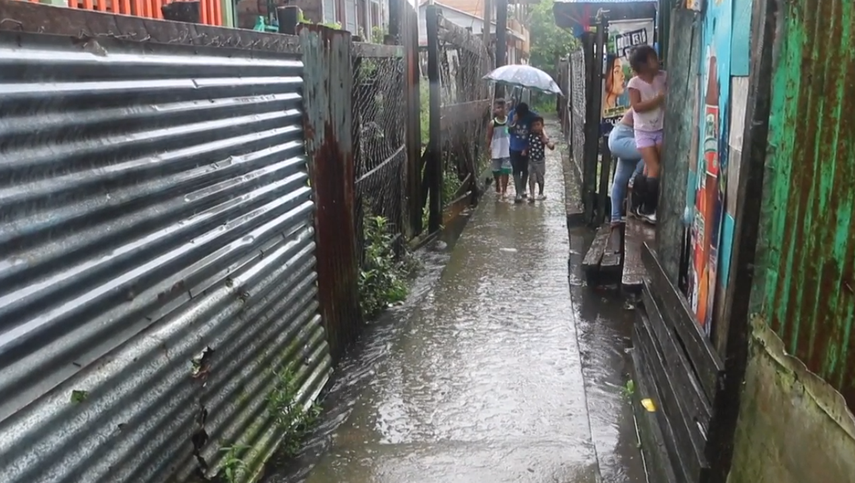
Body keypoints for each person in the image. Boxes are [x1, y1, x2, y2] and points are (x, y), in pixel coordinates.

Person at [627, 45, 667, 223]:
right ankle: (649, 209)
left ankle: (637, 204)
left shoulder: (662, 77)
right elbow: (637, 107)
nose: (657, 60)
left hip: (660, 128)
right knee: (655, 168)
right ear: (642, 64)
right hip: (643, 131)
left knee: (649, 167)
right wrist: (658, 99)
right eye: (652, 58)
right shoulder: (634, 83)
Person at [608, 110, 655, 225]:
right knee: (649, 152)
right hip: (622, 136)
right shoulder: (647, 101)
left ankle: (615, 219)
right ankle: (634, 182)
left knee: (620, 181)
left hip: (627, 137)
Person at [507, 102, 538, 202]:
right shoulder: (512, 114)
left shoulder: (532, 116)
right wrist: (513, 121)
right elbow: (507, 130)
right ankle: (518, 192)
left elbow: (539, 126)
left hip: (526, 147)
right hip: (514, 147)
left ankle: (523, 188)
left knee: (525, 169)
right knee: (516, 170)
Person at [523, 116, 554, 200]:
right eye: (534, 125)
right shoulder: (530, 135)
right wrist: (524, 150)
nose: (536, 127)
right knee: (531, 178)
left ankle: (541, 193)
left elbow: (549, 145)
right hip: (531, 161)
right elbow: (527, 145)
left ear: (542, 126)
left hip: (540, 161)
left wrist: (550, 144)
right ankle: (532, 194)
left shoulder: (542, 136)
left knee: (540, 178)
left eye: (538, 125)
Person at [486, 99, 512, 197]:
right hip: (496, 150)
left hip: (507, 150)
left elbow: (511, 133)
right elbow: (489, 137)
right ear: (494, 110)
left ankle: (504, 190)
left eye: (503, 108)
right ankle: (497, 184)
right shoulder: (493, 123)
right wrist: (488, 148)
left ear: (506, 109)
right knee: (496, 171)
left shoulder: (508, 122)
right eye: (498, 108)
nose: (501, 110)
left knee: (506, 170)